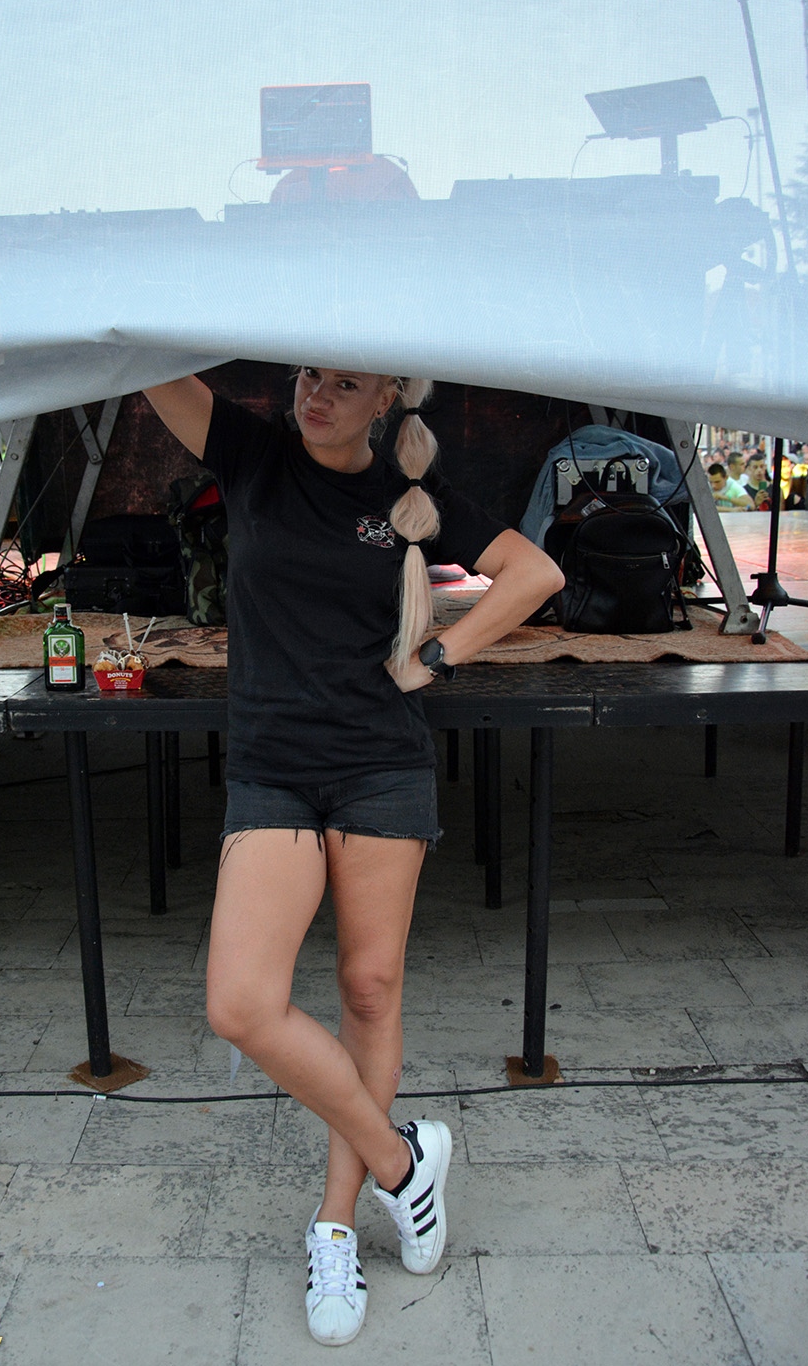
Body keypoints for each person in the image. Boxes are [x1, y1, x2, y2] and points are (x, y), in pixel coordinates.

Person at [144, 366, 563, 1347]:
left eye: (343, 384)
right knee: (240, 1003)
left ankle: (335, 1225)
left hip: (380, 765)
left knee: (369, 990)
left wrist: (441, 655)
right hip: (273, 770)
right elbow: (149, 369)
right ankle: (403, 1163)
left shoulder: (411, 494)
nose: (315, 396)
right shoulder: (251, 454)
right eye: (307, 376)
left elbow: (534, 574)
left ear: (386, 400)